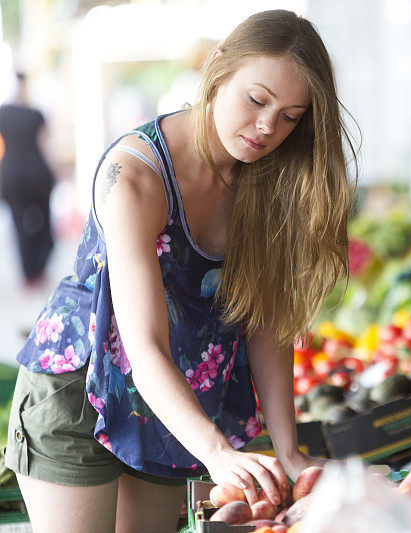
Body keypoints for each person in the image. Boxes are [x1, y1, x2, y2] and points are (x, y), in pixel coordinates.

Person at [5, 10, 355, 532]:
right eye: (257, 100)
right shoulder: (134, 178)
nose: (268, 127)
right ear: (217, 68)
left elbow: (265, 321)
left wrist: (290, 450)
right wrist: (217, 453)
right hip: (78, 395)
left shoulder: (266, 183)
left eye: (290, 116)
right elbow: (143, 345)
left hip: (172, 407)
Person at [0, 71, 56, 289]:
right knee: (44, 223)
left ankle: (29, 274)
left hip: (12, 175)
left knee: (19, 224)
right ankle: (38, 268)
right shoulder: (35, 114)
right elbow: (46, 146)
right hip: (37, 173)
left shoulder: (3, 113)